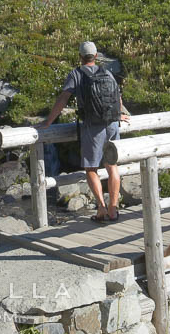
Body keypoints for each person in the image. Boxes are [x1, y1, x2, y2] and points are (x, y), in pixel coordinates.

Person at [40, 41, 130, 222]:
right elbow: (117, 95)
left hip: (93, 126)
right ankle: (113, 210)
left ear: (80, 57)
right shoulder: (107, 73)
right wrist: (119, 114)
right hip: (112, 123)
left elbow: (63, 98)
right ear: (96, 56)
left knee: (91, 168)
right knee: (112, 165)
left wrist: (48, 121)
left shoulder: (76, 74)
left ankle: (101, 210)